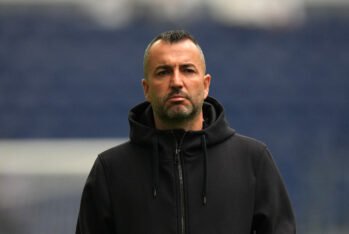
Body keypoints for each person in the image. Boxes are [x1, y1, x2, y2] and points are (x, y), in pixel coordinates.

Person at [76, 30, 296, 234]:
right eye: (163, 72)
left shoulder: (252, 161)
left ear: (206, 84)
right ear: (146, 89)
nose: (176, 82)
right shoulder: (110, 170)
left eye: (188, 70)